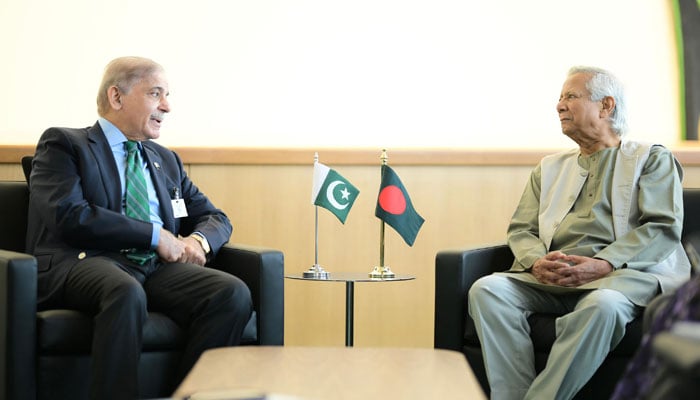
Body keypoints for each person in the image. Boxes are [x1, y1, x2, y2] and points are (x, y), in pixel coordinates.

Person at [26, 56, 252, 400]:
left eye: (167, 95)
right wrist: (155, 235)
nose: (167, 106)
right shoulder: (64, 144)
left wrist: (198, 241)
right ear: (117, 97)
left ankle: (189, 396)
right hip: (83, 261)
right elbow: (70, 215)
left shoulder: (166, 160)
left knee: (230, 293)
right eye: (155, 94)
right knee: (125, 290)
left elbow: (216, 217)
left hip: (153, 267)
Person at [467, 66, 691, 400]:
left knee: (604, 306)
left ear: (606, 106)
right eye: (559, 98)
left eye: (571, 96)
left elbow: (661, 228)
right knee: (488, 290)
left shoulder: (651, 158)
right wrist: (535, 262)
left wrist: (604, 263)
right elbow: (522, 229)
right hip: (551, 278)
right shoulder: (549, 167)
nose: (559, 106)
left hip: (622, 276)